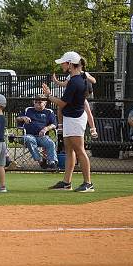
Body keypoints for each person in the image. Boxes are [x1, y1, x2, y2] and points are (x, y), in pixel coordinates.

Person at [42, 51, 94, 192]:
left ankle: (88, 183)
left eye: (64, 63)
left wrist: (48, 96)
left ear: (70, 64)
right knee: (69, 150)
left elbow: (62, 103)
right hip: (72, 118)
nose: (62, 65)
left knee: (79, 151)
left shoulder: (75, 81)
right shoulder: (76, 78)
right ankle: (67, 182)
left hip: (75, 119)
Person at [52, 61, 98, 139]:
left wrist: (87, 77)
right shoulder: (71, 76)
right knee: (60, 106)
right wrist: (56, 81)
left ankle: (93, 129)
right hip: (76, 98)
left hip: (83, 96)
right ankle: (60, 126)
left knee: (88, 111)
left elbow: (94, 81)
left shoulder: (84, 74)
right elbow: (64, 84)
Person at [16, 96, 58, 170]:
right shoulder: (28, 110)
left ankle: (52, 162)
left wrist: (46, 128)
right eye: (35, 102)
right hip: (29, 135)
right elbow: (17, 118)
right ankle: (40, 160)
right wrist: (23, 118)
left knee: (50, 143)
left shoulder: (49, 112)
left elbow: (54, 124)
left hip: (42, 136)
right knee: (28, 139)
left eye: (39, 102)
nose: (37, 103)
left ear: (45, 103)